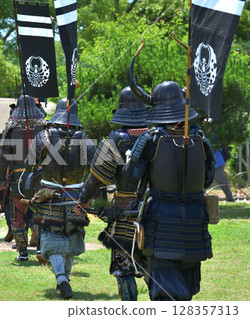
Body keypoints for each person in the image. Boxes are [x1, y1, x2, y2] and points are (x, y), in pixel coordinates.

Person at [123, 53, 215, 301]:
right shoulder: (201, 138)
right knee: (185, 288)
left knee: (166, 292)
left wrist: (131, 159)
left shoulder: (151, 138)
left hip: (162, 222)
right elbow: (208, 178)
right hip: (196, 220)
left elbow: (131, 179)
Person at [75, 86, 148, 301]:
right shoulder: (158, 135)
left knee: (124, 268)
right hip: (156, 211)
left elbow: (95, 178)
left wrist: (82, 200)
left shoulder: (117, 138)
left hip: (126, 214)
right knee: (156, 265)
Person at [25, 98, 95, 299]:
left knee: (51, 235)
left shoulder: (43, 137)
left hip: (50, 194)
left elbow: (30, 166)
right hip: (75, 195)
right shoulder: (86, 140)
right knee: (73, 235)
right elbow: (96, 170)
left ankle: (62, 278)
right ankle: (66, 277)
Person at [0, 94, 46, 261]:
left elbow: (3, 157)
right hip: (40, 178)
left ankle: (23, 253)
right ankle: (39, 250)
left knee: (18, 217)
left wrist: (1, 179)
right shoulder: (45, 128)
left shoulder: (10, 129)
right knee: (41, 214)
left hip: (18, 179)